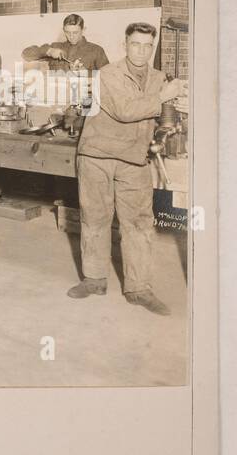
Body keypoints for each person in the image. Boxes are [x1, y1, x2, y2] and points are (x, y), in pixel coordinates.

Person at [68, 22, 187, 315]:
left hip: (134, 158)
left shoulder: (160, 78)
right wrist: (162, 97)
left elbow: (161, 114)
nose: (142, 51)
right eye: (136, 44)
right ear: (125, 44)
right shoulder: (108, 73)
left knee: (139, 223)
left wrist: (177, 110)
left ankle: (139, 288)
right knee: (96, 218)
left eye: (148, 45)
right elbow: (125, 110)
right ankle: (94, 279)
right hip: (98, 155)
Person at [22, 13, 110, 73]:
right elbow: (26, 54)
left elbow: (108, 79)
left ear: (83, 30)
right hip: (58, 97)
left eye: (75, 32)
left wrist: (87, 74)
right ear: (63, 30)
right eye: (67, 32)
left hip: (83, 99)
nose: (71, 36)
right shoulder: (56, 46)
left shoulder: (96, 50)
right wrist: (49, 51)